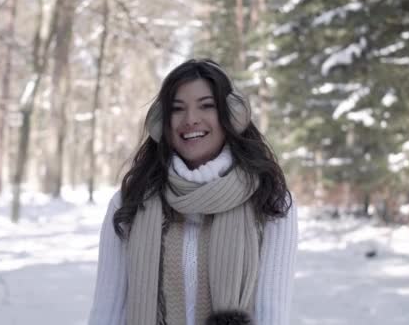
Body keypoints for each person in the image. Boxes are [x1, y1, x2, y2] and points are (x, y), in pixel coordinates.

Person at [88, 59, 298, 325]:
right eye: (177, 109)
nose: (190, 120)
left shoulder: (270, 201)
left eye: (206, 106)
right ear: (162, 122)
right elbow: (107, 312)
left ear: (231, 115)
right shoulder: (129, 201)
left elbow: (271, 314)